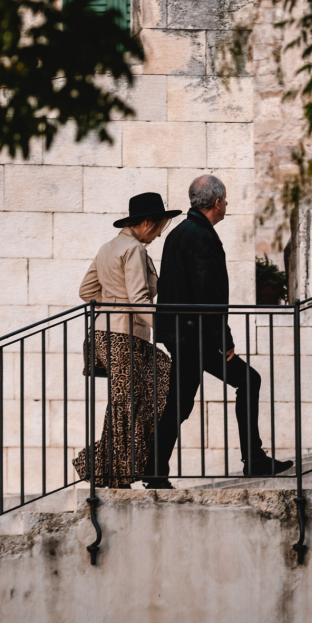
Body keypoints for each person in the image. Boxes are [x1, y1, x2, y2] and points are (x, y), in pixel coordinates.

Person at [147, 174, 293, 487]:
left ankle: (155, 469)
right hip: (194, 336)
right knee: (247, 380)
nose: (226, 205)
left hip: (182, 334)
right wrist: (222, 339)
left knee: (180, 402)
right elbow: (206, 292)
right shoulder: (201, 235)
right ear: (217, 202)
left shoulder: (178, 234)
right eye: (225, 200)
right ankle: (252, 460)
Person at [73, 192, 180, 488]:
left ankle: (114, 470)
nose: (159, 234)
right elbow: (139, 297)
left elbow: (86, 290)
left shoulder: (108, 247)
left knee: (130, 400)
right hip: (126, 336)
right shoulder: (133, 249)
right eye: (159, 227)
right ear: (146, 222)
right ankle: (110, 472)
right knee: (139, 397)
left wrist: (111, 305)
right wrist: (163, 325)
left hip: (104, 335)